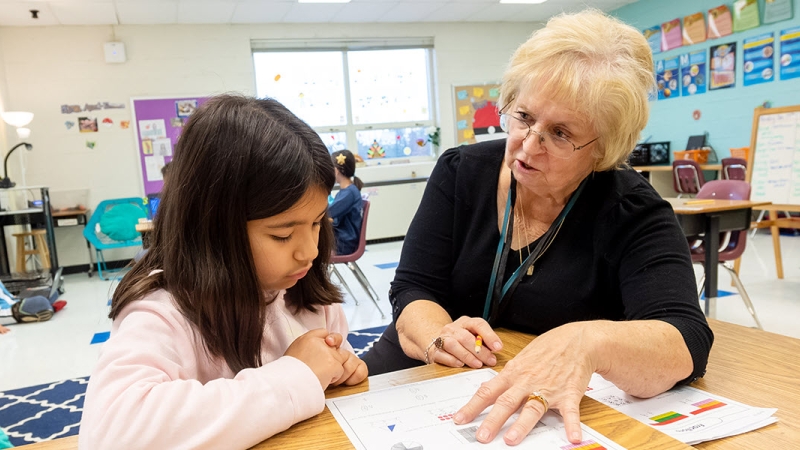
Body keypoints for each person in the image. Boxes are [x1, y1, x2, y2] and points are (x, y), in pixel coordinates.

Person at [362, 9, 713, 447]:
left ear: (604, 148)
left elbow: (686, 338)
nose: (528, 145)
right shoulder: (460, 172)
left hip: (531, 407)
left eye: (561, 133)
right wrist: (438, 334)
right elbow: (413, 288)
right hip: (418, 376)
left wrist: (588, 340)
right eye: (524, 116)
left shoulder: (633, 213)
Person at [79, 95, 368, 449]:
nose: (309, 252)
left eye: (317, 223)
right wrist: (298, 376)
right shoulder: (165, 312)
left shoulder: (307, 295)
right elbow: (110, 435)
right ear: (214, 226)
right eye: (282, 234)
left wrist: (342, 368)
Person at [329, 150, 364, 255]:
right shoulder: (348, 191)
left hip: (342, 244)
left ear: (336, 171)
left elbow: (326, 213)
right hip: (342, 240)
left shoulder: (349, 193)